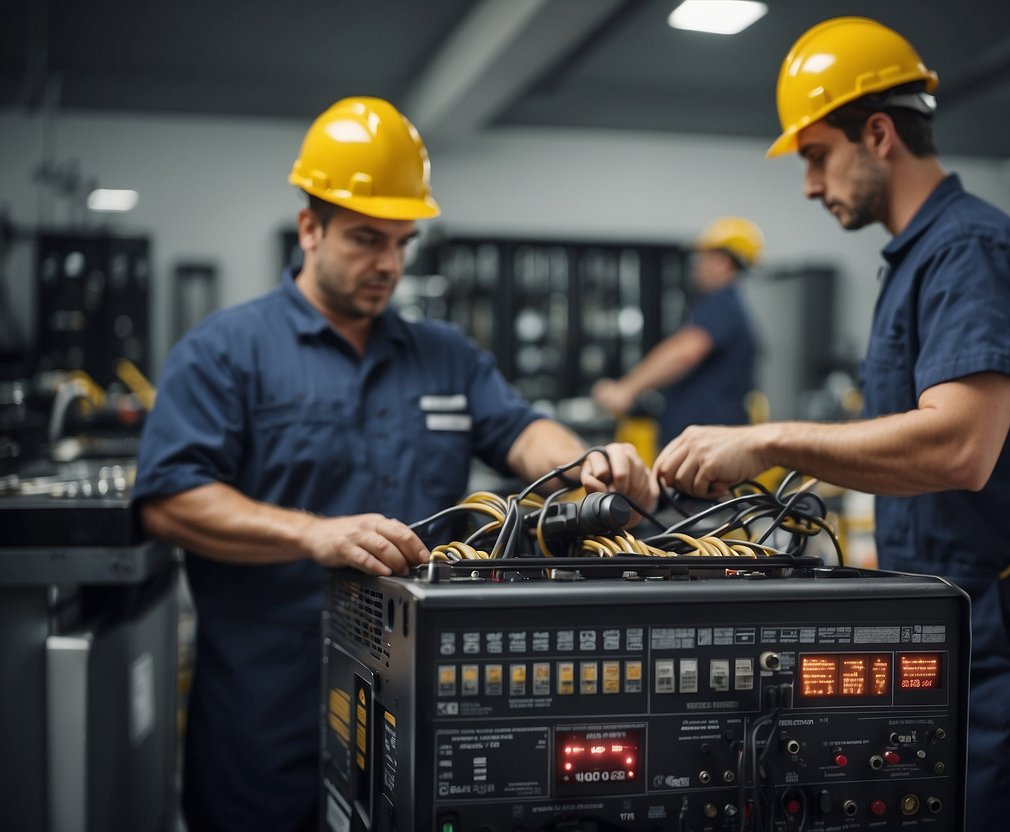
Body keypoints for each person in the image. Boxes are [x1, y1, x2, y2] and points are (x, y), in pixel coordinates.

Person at [131, 97, 656, 832]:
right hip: (266, 710)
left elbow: (519, 430)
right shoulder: (225, 351)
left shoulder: (444, 355)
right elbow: (169, 498)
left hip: (413, 702)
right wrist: (312, 536)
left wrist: (584, 465)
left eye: (403, 243)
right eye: (366, 239)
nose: (388, 264)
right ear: (309, 228)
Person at [653, 17, 1010, 832]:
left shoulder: (968, 251)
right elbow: (911, 449)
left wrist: (768, 441)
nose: (806, 184)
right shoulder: (919, 259)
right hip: (959, 618)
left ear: (877, 133)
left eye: (815, 155)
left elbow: (959, 446)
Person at [592, 217, 760, 447]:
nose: (696, 267)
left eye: (701, 259)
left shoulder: (722, 304)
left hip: (705, 450)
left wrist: (626, 390)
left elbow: (686, 350)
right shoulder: (727, 305)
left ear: (721, 262)